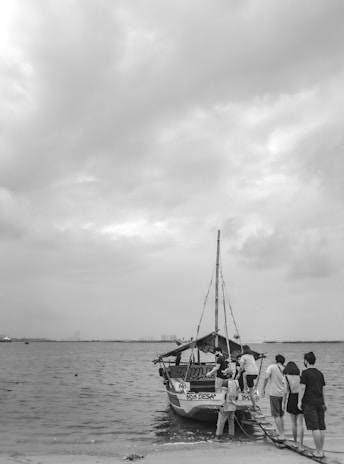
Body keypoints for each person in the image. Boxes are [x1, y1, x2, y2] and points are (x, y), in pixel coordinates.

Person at [298, 352, 326, 459]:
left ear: (306, 361)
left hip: (309, 402)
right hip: (320, 402)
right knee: (321, 427)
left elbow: (302, 388)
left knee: (315, 428)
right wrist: (325, 403)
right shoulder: (320, 373)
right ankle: (320, 450)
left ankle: (318, 452)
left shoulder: (305, 373)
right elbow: (323, 390)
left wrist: (299, 401)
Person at [262, 354, 286, 441]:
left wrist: (263, 389)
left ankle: (281, 434)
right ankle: (282, 432)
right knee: (281, 414)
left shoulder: (271, 367)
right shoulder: (285, 368)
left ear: (276, 360)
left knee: (276, 415)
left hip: (274, 394)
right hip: (283, 394)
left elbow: (266, 378)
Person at [283, 361, 304, 450]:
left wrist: (283, 403)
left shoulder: (286, 378)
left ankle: (295, 442)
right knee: (301, 424)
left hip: (291, 398)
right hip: (301, 399)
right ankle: (301, 444)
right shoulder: (300, 377)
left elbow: (285, 392)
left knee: (293, 423)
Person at [215, 369, 239, 440]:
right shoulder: (236, 382)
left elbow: (223, 395)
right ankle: (231, 437)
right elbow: (237, 396)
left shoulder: (225, 382)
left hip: (226, 405)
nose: (223, 375)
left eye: (225, 374)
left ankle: (218, 437)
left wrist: (221, 405)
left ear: (228, 375)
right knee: (231, 422)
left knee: (220, 423)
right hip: (233, 405)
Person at [237, 345, 258, 410]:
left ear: (243, 350)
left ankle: (254, 407)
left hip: (250, 373)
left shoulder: (243, 356)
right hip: (255, 373)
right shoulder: (251, 356)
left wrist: (238, 374)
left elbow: (241, 367)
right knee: (244, 375)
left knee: (251, 391)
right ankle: (246, 389)